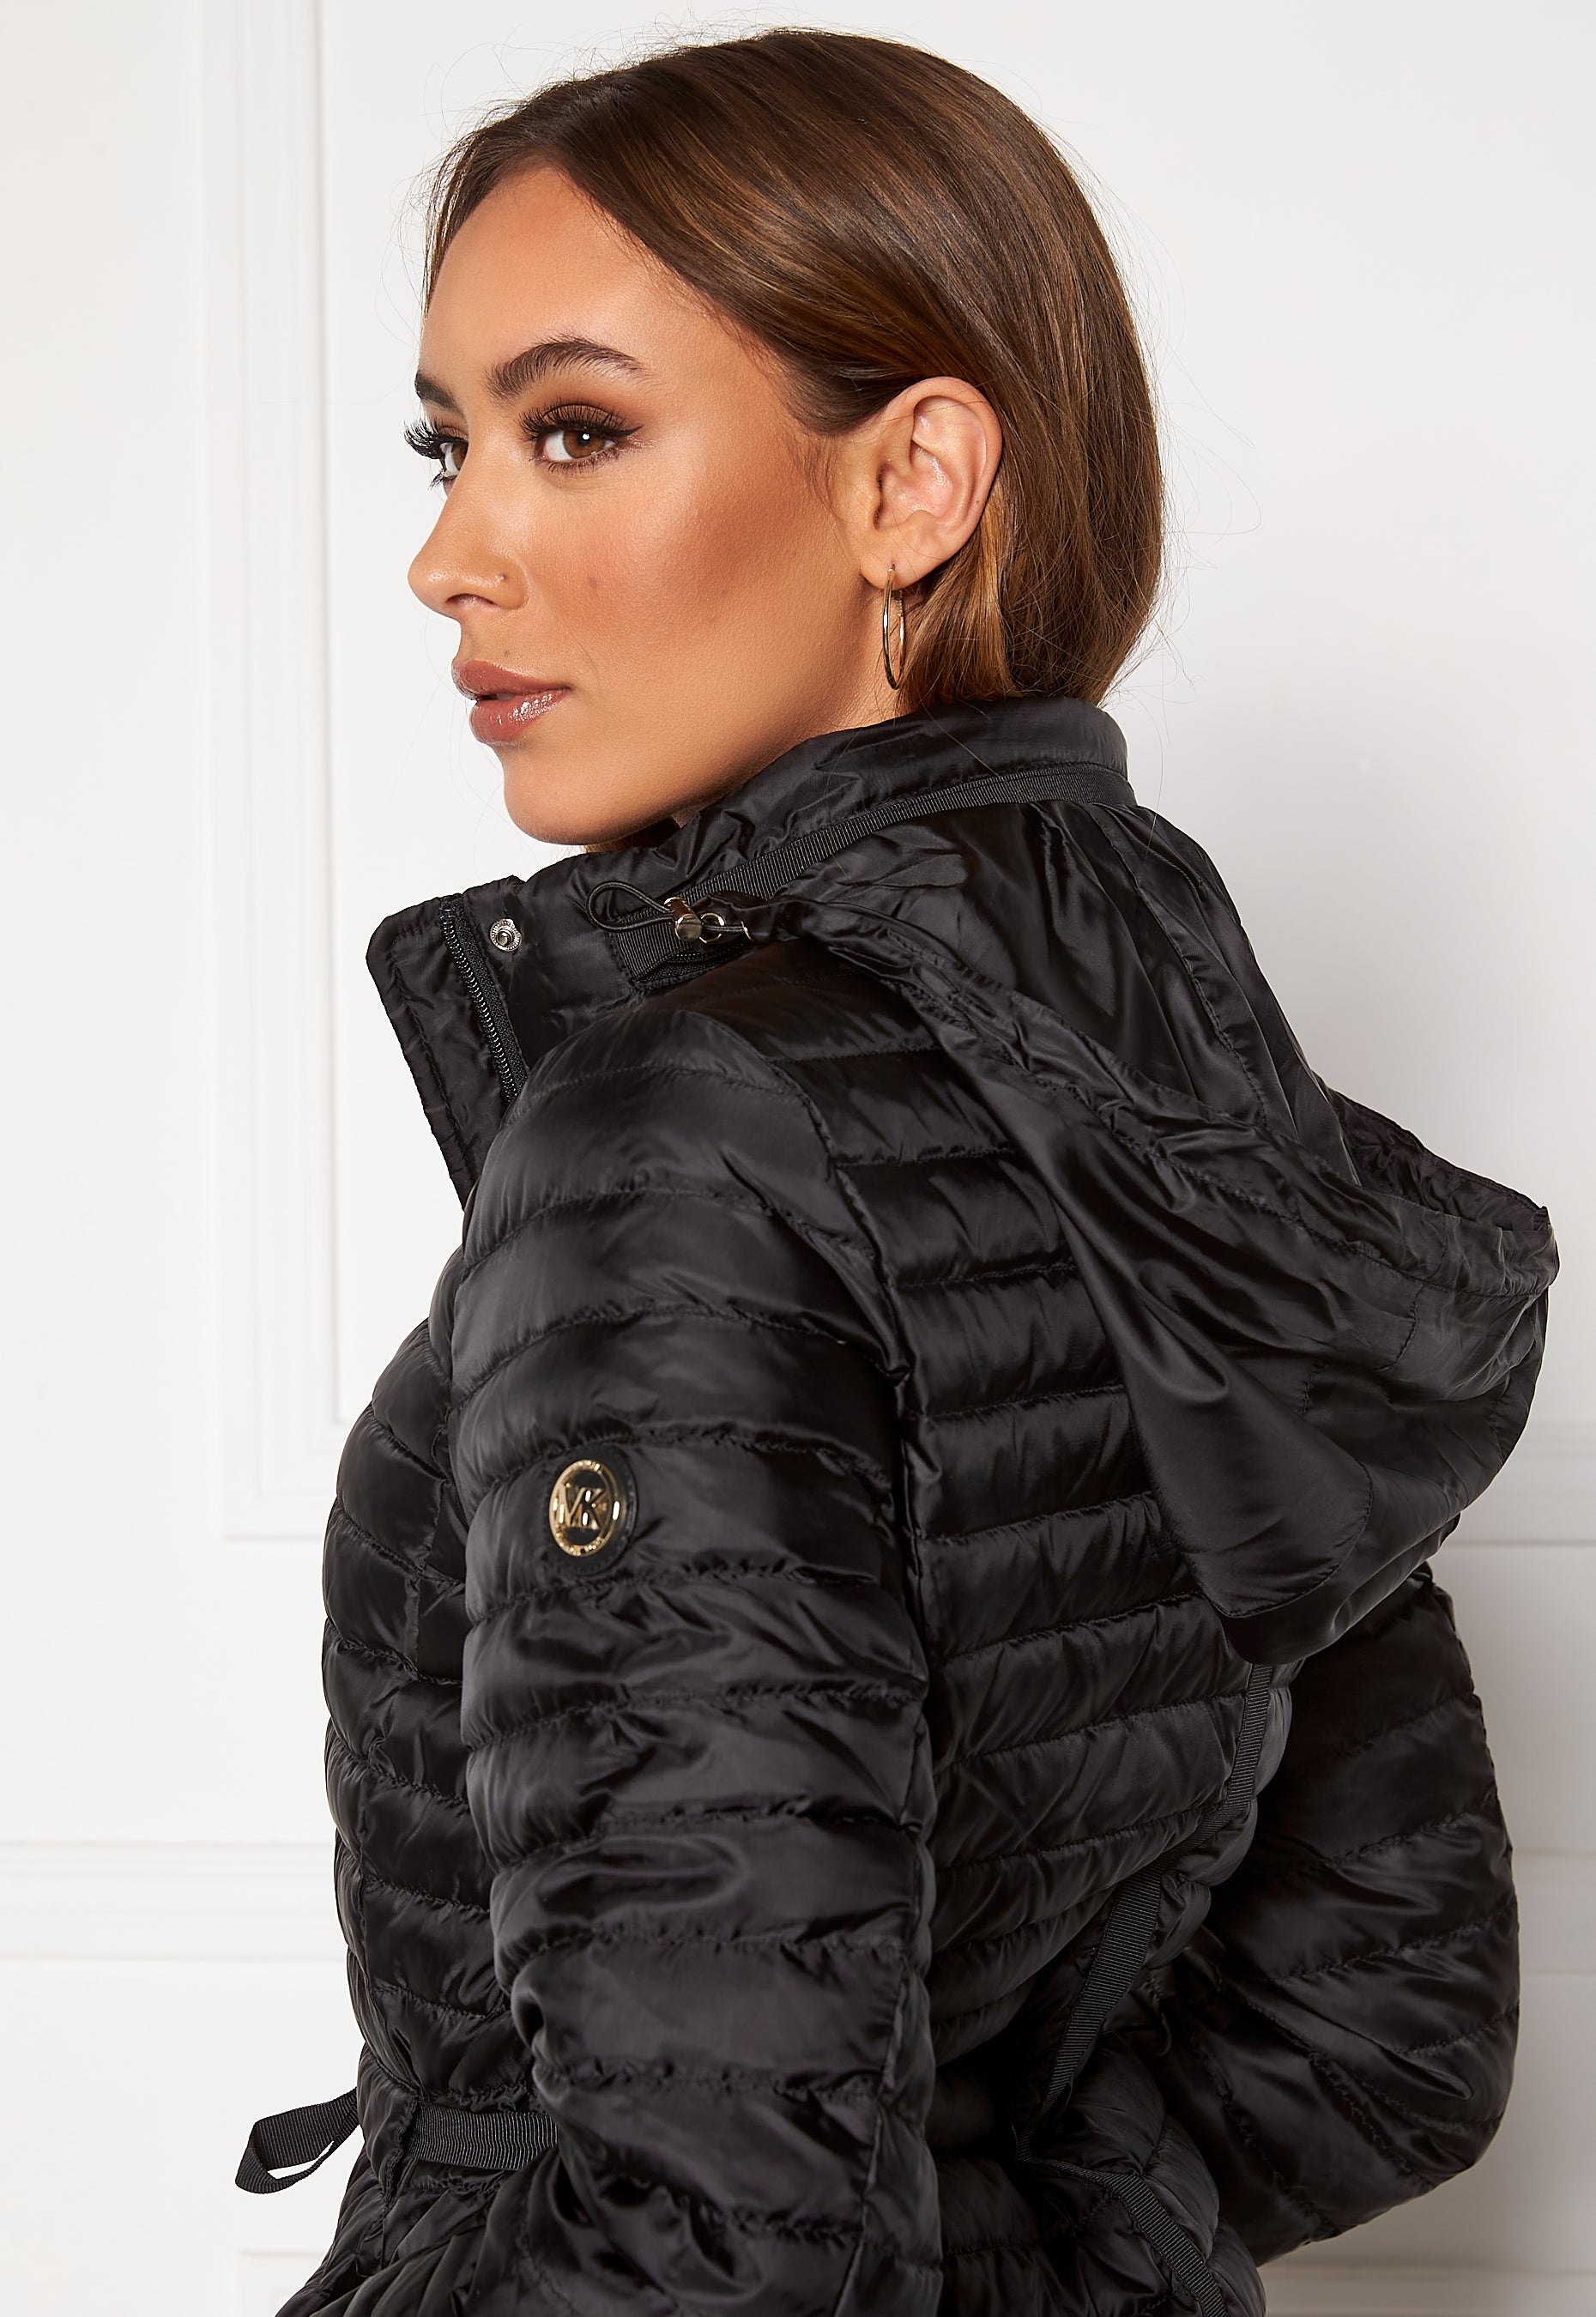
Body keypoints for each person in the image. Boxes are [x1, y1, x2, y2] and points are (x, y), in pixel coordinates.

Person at [236, 30, 1557, 2317]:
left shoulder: (680, 1137)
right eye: (449, 446)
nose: (451, 555)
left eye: (576, 430)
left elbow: (721, 2244)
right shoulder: (1168, 1063)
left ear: (913, 480)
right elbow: (1385, 2029)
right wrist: (1042, 2215)